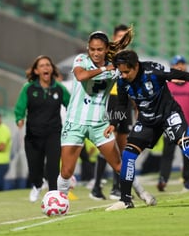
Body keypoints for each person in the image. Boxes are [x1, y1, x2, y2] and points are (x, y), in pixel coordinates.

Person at [106, 50, 189, 211]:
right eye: (121, 72)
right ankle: (126, 200)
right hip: (147, 121)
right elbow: (121, 104)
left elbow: (185, 76)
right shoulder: (122, 81)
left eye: (127, 71)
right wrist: (113, 123)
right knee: (128, 155)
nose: (124, 75)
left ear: (136, 66)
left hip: (169, 115)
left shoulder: (153, 71)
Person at [57, 30, 156, 206]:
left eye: (100, 49)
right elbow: (81, 76)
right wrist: (105, 68)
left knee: (119, 165)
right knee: (66, 171)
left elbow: (129, 82)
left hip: (99, 124)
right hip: (75, 122)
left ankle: (142, 193)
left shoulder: (115, 68)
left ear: (106, 49)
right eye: (92, 49)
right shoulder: (81, 60)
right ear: (88, 48)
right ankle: (60, 204)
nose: (95, 53)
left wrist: (137, 105)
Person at [14, 55, 70, 202]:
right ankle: (38, 185)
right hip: (33, 135)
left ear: (52, 69)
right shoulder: (29, 88)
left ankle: (53, 196)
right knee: (34, 168)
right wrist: (19, 118)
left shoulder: (59, 88)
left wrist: (73, 120)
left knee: (53, 167)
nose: (46, 68)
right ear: (36, 71)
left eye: (48, 65)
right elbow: (20, 106)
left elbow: (71, 104)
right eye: (42, 65)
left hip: (53, 133)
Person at [90, 24, 135, 200]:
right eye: (119, 37)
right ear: (114, 39)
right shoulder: (108, 57)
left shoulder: (130, 59)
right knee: (109, 142)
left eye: (125, 37)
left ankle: (117, 186)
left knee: (123, 145)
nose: (122, 40)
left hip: (125, 103)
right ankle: (96, 186)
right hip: (112, 100)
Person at [156, 55, 189, 192]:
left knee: (188, 154)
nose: (180, 66)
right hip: (169, 125)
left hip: (188, 125)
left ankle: (187, 181)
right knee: (167, 154)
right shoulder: (167, 84)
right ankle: (163, 180)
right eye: (177, 64)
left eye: (182, 63)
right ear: (172, 67)